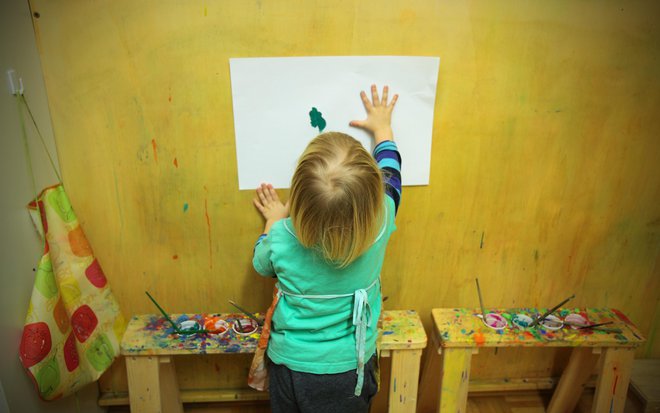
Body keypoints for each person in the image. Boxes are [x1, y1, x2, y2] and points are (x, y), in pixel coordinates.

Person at [251, 85, 401, 413]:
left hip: (290, 367)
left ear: (299, 202)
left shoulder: (281, 237)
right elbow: (392, 174)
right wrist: (382, 129)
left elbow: (261, 263)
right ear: (374, 197)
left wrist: (274, 221)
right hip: (352, 369)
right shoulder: (381, 221)